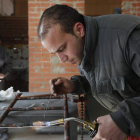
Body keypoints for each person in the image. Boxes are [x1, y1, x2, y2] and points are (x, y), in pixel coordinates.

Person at [37, 4, 140, 140]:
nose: (62, 59)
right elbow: (113, 77)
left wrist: (123, 120)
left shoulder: (129, 37)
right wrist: (76, 85)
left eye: (62, 49)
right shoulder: (85, 46)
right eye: (55, 53)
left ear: (79, 29)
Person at [0, 34, 12, 140]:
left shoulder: (2, 51)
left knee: (1, 107)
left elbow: (8, 64)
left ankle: (3, 131)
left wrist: (2, 74)